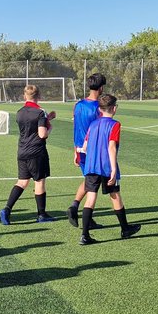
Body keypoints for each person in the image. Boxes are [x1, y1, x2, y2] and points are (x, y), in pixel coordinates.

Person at [78, 94, 141, 246]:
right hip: (106, 166)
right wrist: (113, 169)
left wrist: (82, 150)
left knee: (91, 197)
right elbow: (111, 147)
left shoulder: (93, 124)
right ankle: (125, 228)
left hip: (91, 166)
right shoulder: (115, 125)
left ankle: (85, 235)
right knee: (115, 195)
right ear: (114, 108)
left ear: (99, 109)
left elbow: (85, 146)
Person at [0, 84, 56, 225]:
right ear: (39, 96)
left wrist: (47, 119)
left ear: (25, 96)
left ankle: (7, 209)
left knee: (22, 182)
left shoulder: (19, 112)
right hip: (36, 151)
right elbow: (42, 134)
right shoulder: (40, 112)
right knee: (39, 181)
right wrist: (50, 127)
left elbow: (30, 125)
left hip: (22, 150)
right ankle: (42, 214)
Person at [67, 73, 107, 228]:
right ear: (101, 87)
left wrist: (74, 150)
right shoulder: (98, 107)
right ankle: (86, 218)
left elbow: (76, 127)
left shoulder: (78, 105)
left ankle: (74, 206)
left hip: (79, 148)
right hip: (92, 150)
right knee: (93, 183)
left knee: (89, 180)